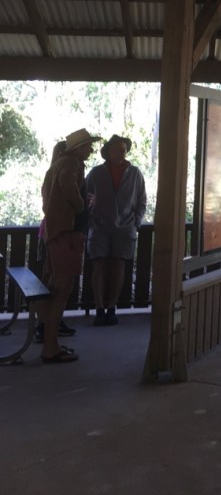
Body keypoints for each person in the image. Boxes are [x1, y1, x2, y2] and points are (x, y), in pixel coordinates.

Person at [39, 127, 101, 363]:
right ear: (78, 148)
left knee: (56, 287)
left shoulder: (57, 164)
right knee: (62, 289)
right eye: (88, 146)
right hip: (67, 233)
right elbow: (68, 186)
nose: (91, 150)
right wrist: (82, 205)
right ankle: (50, 348)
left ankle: (51, 341)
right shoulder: (71, 164)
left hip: (57, 232)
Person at [85, 134, 146, 327]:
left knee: (119, 266)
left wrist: (136, 223)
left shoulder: (135, 173)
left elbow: (142, 200)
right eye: (117, 149)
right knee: (98, 266)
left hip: (126, 227)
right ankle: (99, 308)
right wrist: (89, 217)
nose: (122, 152)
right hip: (99, 226)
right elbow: (84, 194)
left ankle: (112, 308)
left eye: (124, 149)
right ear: (108, 152)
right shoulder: (96, 173)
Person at [33, 140, 79, 344]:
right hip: (54, 233)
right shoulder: (62, 173)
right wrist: (81, 205)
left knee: (54, 280)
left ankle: (51, 322)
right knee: (55, 281)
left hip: (50, 231)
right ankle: (45, 324)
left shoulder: (52, 174)